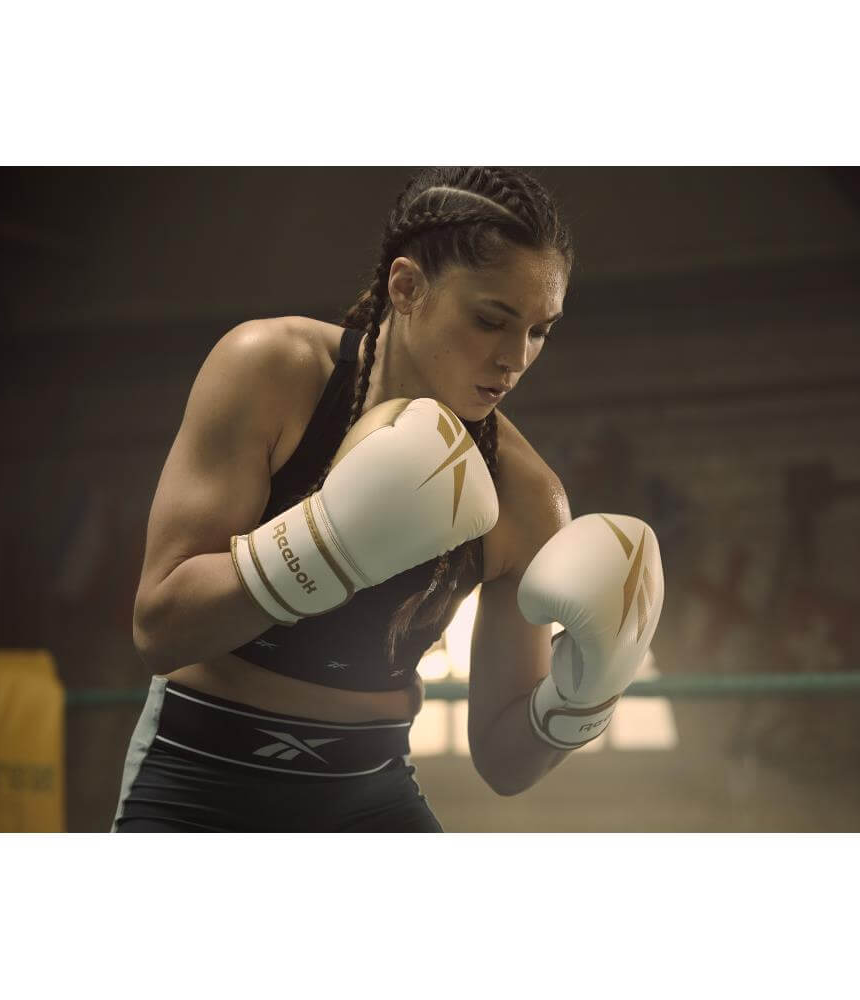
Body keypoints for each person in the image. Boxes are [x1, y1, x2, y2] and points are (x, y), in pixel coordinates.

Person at [112, 167, 664, 832]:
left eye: (541, 330)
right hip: (196, 775)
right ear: (406, 287)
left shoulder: (527, 498)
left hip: (369, 794)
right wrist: (323, 544)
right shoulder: (272, 371)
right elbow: (159, 631)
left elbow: (504, 763)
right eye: (492, 319)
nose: (515, 357)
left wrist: (581, 700)